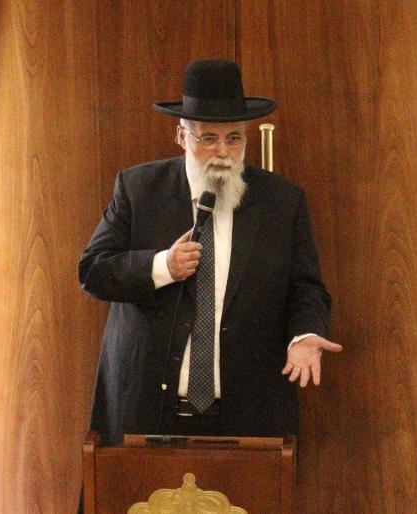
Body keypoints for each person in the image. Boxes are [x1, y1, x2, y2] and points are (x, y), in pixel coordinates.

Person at [79, 59, 341, 447]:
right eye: (208, 139)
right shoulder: (139, 189)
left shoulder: (282, 201)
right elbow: (93, 271)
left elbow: (306, 288)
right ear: (181, 136)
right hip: (147, 408)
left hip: (247, 413)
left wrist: (304, 334)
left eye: (234, 139)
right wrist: (162, 267)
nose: (222, 151)